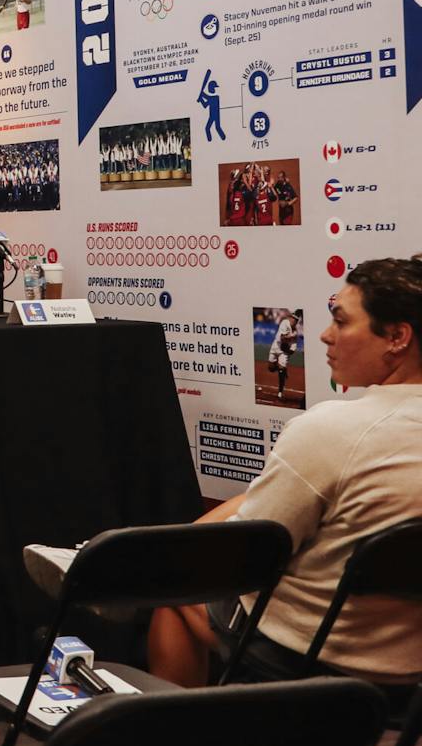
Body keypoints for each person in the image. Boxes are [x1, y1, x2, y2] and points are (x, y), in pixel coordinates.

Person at [149, 257, 422, 687]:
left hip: (312, 660)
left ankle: (181, 743)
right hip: (409, 668)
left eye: (341, 321)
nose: (324, 335)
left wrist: (184, 544)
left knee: (174, 587)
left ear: (396, 337)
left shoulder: (333, 430)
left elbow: (238, 559)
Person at [268, 310, 300, 400]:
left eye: (295, 320)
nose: (293, 321)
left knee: (281, 370)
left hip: (284, 352)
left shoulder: (295, 333)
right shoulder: (285, 323)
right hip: (276, 346)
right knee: (271, 368)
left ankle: (280, 392)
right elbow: (282, 338)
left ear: (297, 322)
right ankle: (282, 369)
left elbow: (293, 349)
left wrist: (289, 351)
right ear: (290, 318)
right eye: (292, 318)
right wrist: (291, 337)